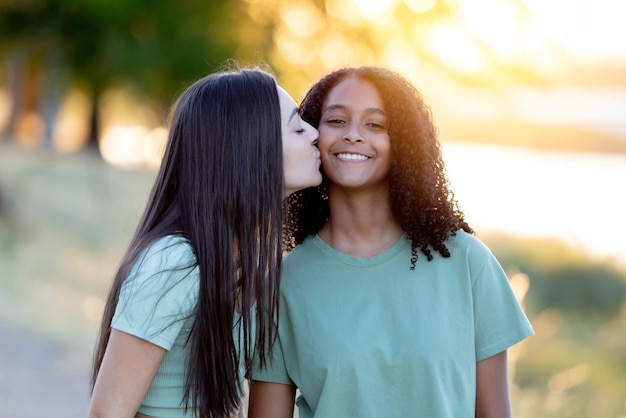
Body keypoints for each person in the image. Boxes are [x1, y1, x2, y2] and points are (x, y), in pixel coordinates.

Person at [248, 66, 534, 418]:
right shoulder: (282, 283)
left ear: (404, 142)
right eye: (336, 121)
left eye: (375, 125)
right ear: (311, 134)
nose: (353, 135)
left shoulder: (467, 261)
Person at [89, 66, 322, 418]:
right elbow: (107, 413)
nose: (315, 134)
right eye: (296, 127)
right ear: (249, 149)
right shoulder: (174, 264)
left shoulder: (245, 264)